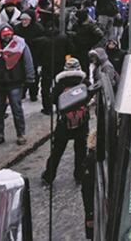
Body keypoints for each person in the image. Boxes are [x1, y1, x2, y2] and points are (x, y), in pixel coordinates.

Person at [40, 57, 89, 186]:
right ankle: (80, 174)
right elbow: (88, 98)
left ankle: (49, 175)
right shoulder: (84, 82)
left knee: (57, 150)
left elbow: (53, 100)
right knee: (81, 150)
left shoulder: (60, 84)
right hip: (82, 122)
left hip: (64, 123)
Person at [0, 26, 34, 148]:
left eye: (9, 34)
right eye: (5, 35)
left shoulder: (20, 44)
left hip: (15, 82)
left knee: (17, 109)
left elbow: (28, 61)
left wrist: (30, 77)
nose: (7, 37)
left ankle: (21, 134)